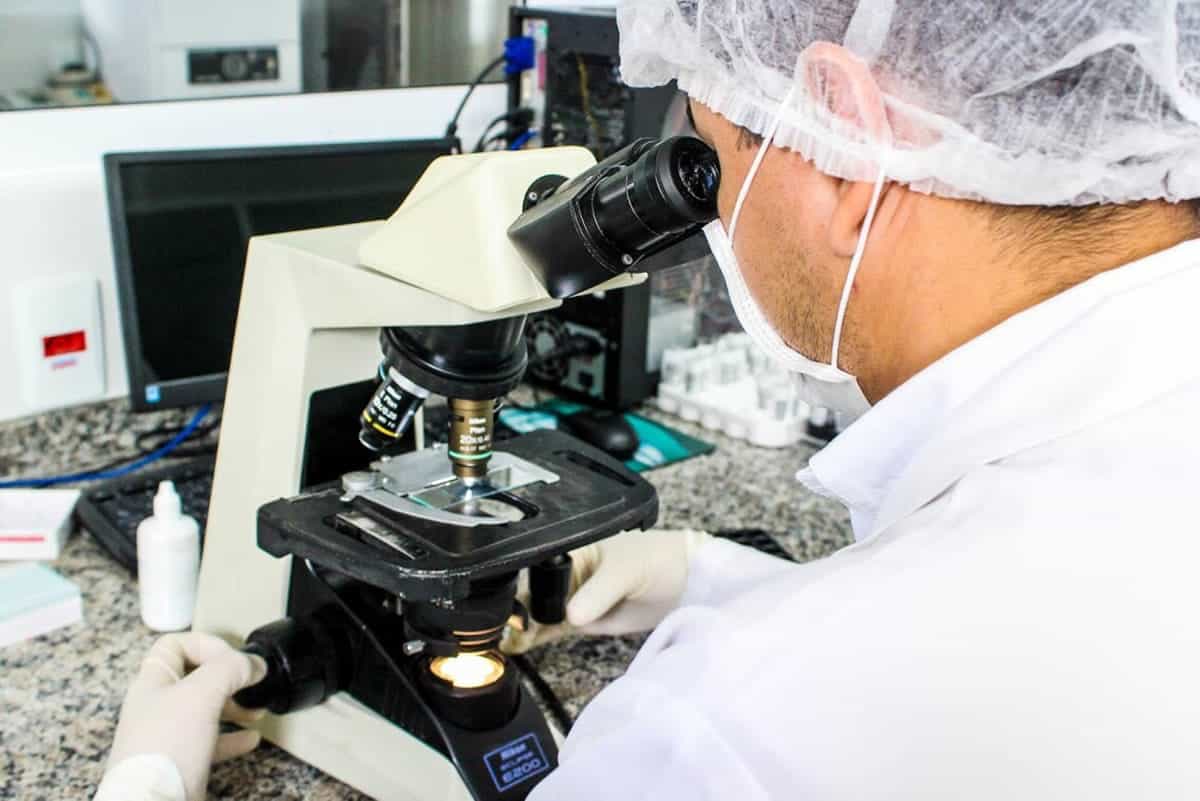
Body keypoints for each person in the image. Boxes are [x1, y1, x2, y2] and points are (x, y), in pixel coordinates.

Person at [98, 0, 1200, 798]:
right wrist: (716, 580)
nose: (708, 209)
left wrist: (146, 778)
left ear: (849, 154)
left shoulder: (731, 728)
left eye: (710, 151)